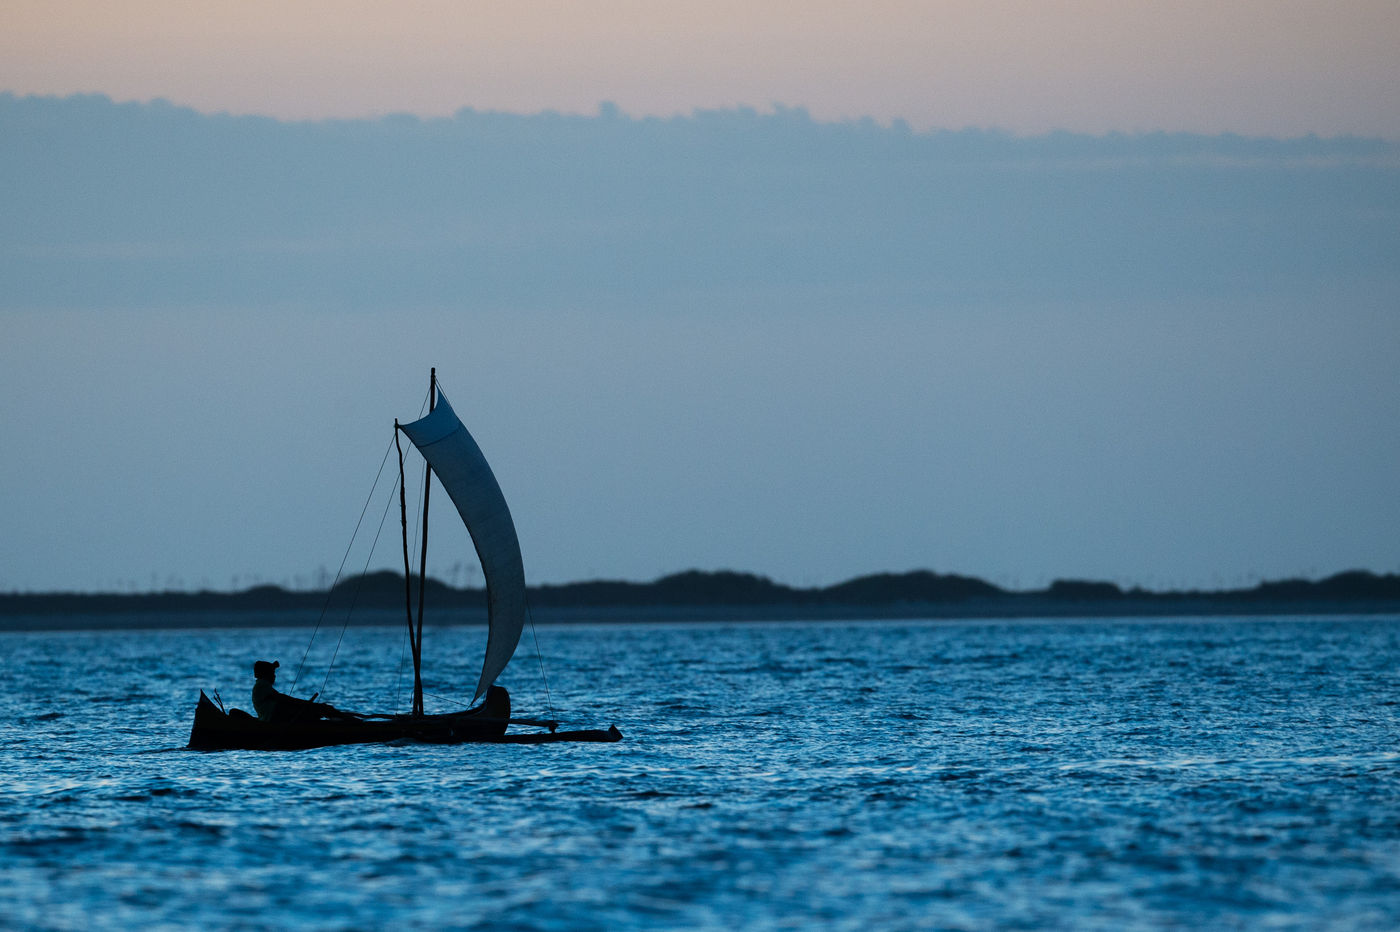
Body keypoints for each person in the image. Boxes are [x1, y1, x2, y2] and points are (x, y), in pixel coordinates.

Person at [251, 660, 351, 723]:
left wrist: (307, 705)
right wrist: (306, 704)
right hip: (273, 719)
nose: (274, 676)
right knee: (321, 709)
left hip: (275, 717)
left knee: (320, 709)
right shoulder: (262, 685)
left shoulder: (263, 685)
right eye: (272, 673)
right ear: (264, 674)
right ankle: (350, 723)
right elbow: (283, 699)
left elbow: (283, 700)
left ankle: (344, 719)